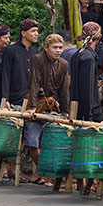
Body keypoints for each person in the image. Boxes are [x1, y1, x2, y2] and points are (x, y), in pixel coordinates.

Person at [23, 34, 69, 186]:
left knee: (51, 142)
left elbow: (64, 89)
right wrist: (32, 107)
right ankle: (43, 171)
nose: (58, 50)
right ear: (46, 48)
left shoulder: (63, 64)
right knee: (32, 142)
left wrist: (65, 110)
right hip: (35, 103)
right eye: (55, 47)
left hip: (51, 106)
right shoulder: (38, 59)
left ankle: (39, 174)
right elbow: (34, 83)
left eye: (60, 48)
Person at [0, 19, 40, 109]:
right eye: (33, 31)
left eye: (37, 31)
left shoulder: (37, 53)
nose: (36, 34)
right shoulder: (10, 50)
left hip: (32, 100)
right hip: (14, 99)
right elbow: (5, 75)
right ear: (23, 33)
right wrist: (5, 99)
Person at [70, 22, 103, 122]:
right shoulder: (88, 58)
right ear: (98, 37)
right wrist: (89, 117)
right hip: (86, 113)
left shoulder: (77, 54)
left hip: (76, 109)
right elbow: (87, 90)